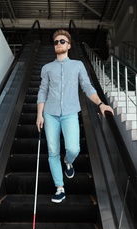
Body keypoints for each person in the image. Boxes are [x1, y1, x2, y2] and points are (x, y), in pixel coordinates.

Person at [36, 29, 114, 203]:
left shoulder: (78, 65)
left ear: (69, 45)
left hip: (70, 113)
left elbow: (87, 86)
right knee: (52, 151)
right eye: (55, 42)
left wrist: (101, 104)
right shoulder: (47, 68)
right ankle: (60, 188)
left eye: (62, 41)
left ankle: (68, 161)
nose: (58, 44)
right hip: (50, 113)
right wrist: (39, 114)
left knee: (73, 149)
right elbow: (42, 91)